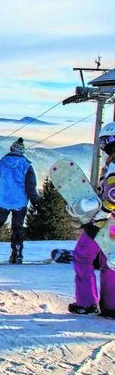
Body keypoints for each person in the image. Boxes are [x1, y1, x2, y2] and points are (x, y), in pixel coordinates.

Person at [65, 123, 115, 317]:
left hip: (106, 221)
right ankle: (111, 306)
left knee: (83, 256)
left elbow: (112, 193)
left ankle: (87, 302)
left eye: (104, 142)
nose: (102, 146)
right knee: (109, 260)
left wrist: (101, 214)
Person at [0, 138, 39, 264]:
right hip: (20, 203)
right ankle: (17, 253)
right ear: (22, 152)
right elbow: (30, 187)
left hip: (3, 201)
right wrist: (35, 202)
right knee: (17, 228)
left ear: (11, 149)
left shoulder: (0, 163)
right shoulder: (27, 166)